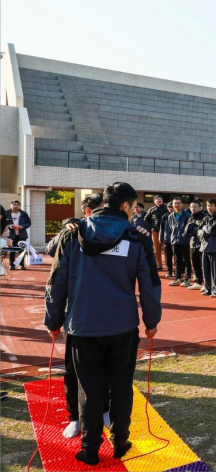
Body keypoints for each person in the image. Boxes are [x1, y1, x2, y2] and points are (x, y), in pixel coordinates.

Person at [44, 182, 161, 465]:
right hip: (122, 327)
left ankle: (90, 448)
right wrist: (151, 321)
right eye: (134, 207)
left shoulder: (74, 233)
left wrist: (53, 320)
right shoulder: (135, 237)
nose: (134, 212)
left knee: (89, 389)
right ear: (125, 206)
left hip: (83, 326)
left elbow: (56, 281)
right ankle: (120, 441)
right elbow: (150, 284)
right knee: (121, 386)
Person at [45, 193, 108, 439]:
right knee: (74, 370)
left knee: (106, 366)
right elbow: (51, 251)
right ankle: (75, 417)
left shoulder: (117, 231)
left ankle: (105, 409)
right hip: (77, 314)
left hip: (108, 312)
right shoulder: (73, 232)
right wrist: (66, 229)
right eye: (101, 210)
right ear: (88, 212)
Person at [198, 199, 216, 297]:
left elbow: (211, 230)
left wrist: (204, 227)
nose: (209, 208)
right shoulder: (206, 217)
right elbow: (199, 227)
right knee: (206, 269)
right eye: (208, 206)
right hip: (205, 246)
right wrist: (203, 228)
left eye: (211, 206)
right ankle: (208, 288)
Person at [166, 197, 192, 287]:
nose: (177, 205)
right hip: (174, 241)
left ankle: (187, 278)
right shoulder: (170, 216)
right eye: (175, 203)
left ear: (182, 204)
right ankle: (177, 278)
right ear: (172, 205)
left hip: (185, 241)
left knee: (186, 260)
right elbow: (170, 228)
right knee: (177, 260)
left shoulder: (187, 215)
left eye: (179, 203)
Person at [184, 201, 207, 291]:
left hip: (202, 244)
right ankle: (198, 282)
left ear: (200, 207)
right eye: (191, 207)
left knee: (204, 264)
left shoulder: (204, 217)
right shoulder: (190, 218)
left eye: (195, 207)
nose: (193, 208)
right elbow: (187, 231)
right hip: (192, 243)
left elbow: (202, 231)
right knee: (195, 263)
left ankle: (207, 283)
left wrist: (193, 229)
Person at [6, 200, 31, 270]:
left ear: (19, 206)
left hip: (22, 235)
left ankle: (21, 265)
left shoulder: (23, 213)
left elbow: (28, 223)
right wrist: (9, 226)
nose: (16, 206)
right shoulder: (6, 213)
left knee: (21, 250)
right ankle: (12, 265)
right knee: (12, 250)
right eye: (14, 204)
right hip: (11, 235)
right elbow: (3, 223)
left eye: (17, 205)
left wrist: (22, 226)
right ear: (11, 205)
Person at [145, 195, 168, 270]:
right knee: (156, 249)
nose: (159, 200)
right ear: (154, 201)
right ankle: (159, 265)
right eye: (157, 199)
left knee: (167, 249)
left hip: (166, 231)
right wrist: (151, 227)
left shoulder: (167, 208)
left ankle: (168, 265)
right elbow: (146, 219)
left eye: (160, 199)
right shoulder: (152, 209)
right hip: (156, 231)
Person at [159, 202, 175, 278]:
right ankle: (169, 271)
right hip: (167, 239)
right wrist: (161, 238)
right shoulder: (164, 216)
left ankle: (177, 271)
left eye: (172, 207)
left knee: (177, 256)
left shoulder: (177, 216)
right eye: (169, 207)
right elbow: (161, 228)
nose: (170, 208)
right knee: (168, 256)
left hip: (176, 239)